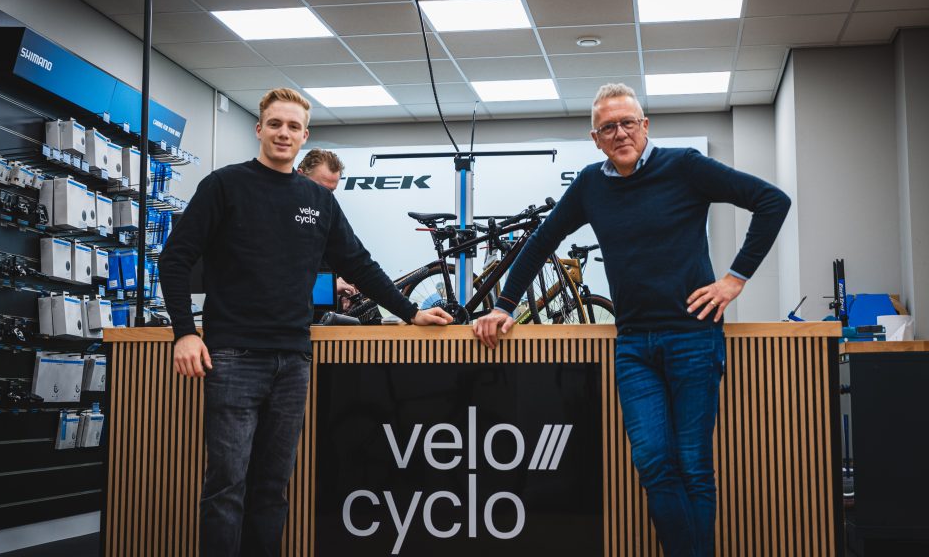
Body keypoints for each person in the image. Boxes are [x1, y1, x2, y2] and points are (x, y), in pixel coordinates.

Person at [473, 83, 790, 557]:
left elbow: (772, 201)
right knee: (654, 463)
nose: (620, 133)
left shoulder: (685, 167)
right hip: (634, 345)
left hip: (693, 337)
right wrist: (503, 305)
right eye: (608, 127)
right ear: (595, 138)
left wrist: (734, 279)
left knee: (693, 465)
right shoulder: (590, 185)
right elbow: (540, 243)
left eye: (628, 123)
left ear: (645, 125)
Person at [160, 87, 452, 556]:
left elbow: (359, 264)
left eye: (293, 126)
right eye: (276, 124)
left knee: (272, 487)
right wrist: (184, 334)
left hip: (293, 361)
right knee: (226, 486)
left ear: (304, 136)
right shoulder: (224, 185)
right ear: (259, 128)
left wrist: (411, 312)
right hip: (233, 357)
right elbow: (174, 259)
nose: (284, 133)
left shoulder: (317, 200)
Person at [297, 148, 357, 304]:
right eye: (319, 189)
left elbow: (355, 261)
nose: (325, 197)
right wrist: (328, 288)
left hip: (320, 311)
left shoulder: (328, 213)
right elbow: (277, 286)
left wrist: (340, 294)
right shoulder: (278, 215)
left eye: (331, 191)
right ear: (300, 175)